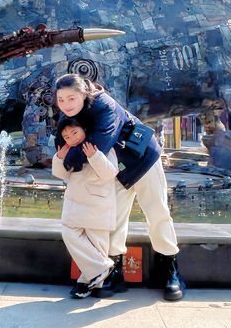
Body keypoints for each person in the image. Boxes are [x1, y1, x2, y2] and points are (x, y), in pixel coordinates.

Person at [54, 73, 183, 300]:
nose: (66, 104)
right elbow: (62, 145)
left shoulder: (105, 106)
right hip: (114, 169)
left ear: (84, 93)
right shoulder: (69, 113)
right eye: (61, 99)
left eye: (71, 98)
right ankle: (115, 273)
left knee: (157, 211)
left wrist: (70, 157)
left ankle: (170, 269)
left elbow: (98, 145)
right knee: (112, 219)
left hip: (143, 159)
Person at [51, 117, 119, 299]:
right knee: (69, 233)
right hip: (76, 202)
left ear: (84, 130)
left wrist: (94, 156)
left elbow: (110, 173)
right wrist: (59, 158)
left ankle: (86, 283)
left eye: (74, 132)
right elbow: (61, 174)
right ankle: (104, 268)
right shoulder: (71, 151)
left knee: (97, 245)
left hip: (98, 204)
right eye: (66, 136)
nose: (71, 138)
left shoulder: (103, 146)